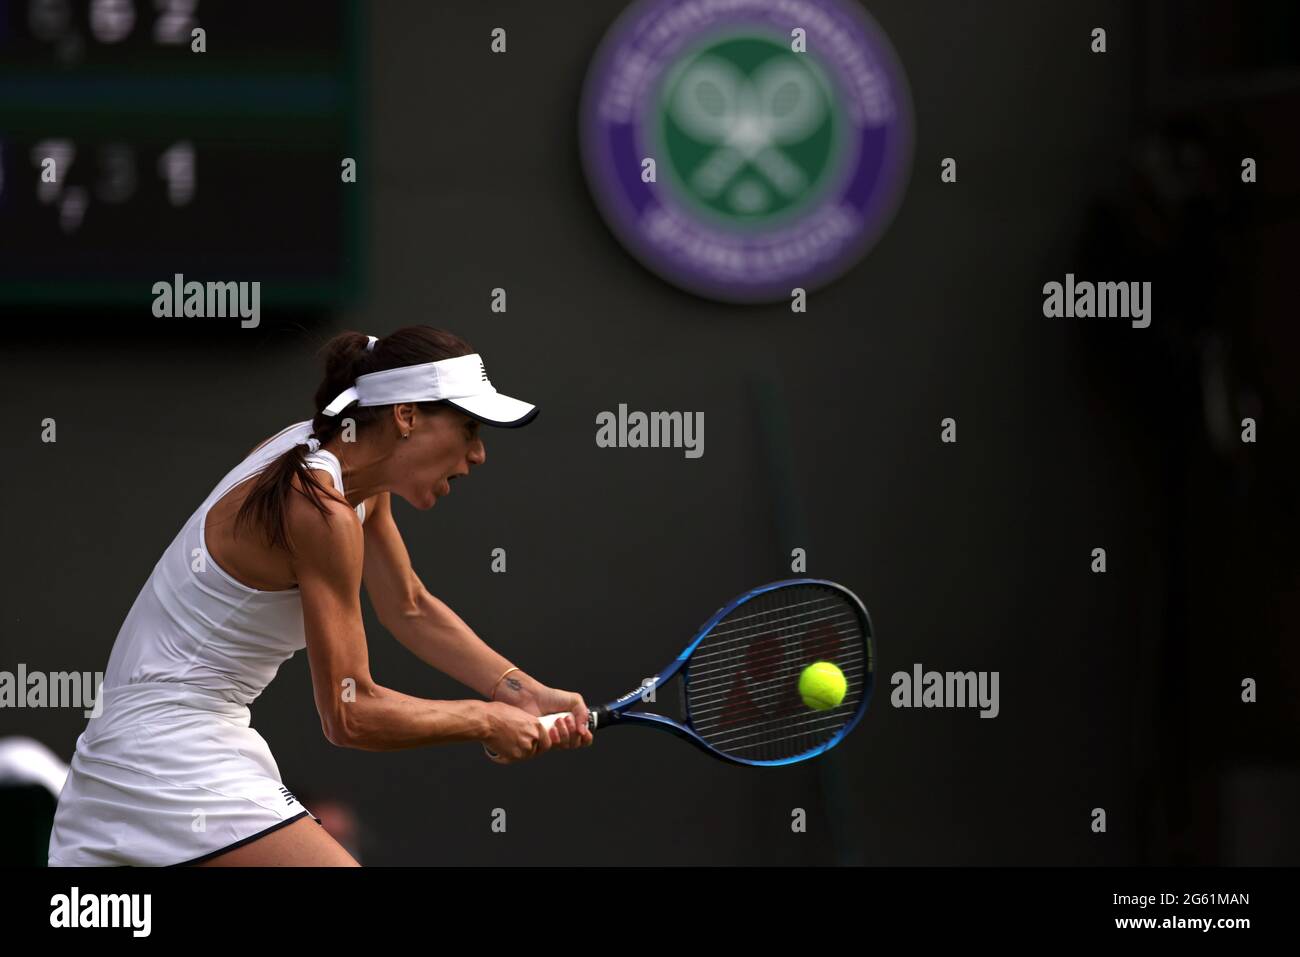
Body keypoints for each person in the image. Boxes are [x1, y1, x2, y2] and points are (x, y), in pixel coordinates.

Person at [48, 327, 591, 866]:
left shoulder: (340, 469)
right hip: (166, 758)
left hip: (143, 754)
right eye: (469, 428)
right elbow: (350, 714)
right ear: (406, 416)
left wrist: (520, 690)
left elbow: (409, 606)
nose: (478, 454)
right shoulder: (319, 508)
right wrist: (486, 720)